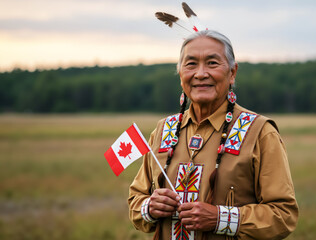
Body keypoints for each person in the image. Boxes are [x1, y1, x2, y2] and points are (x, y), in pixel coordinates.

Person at [128, 30, 298, 240]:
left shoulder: (259, 132)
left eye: (212, 63)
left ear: (232, 72)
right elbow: (136, 202)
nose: (200, 73)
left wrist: (220, 219)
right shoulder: (164, 131)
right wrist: (150, 208)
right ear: (180, 73)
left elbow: (283, 215)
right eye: (190, 64)